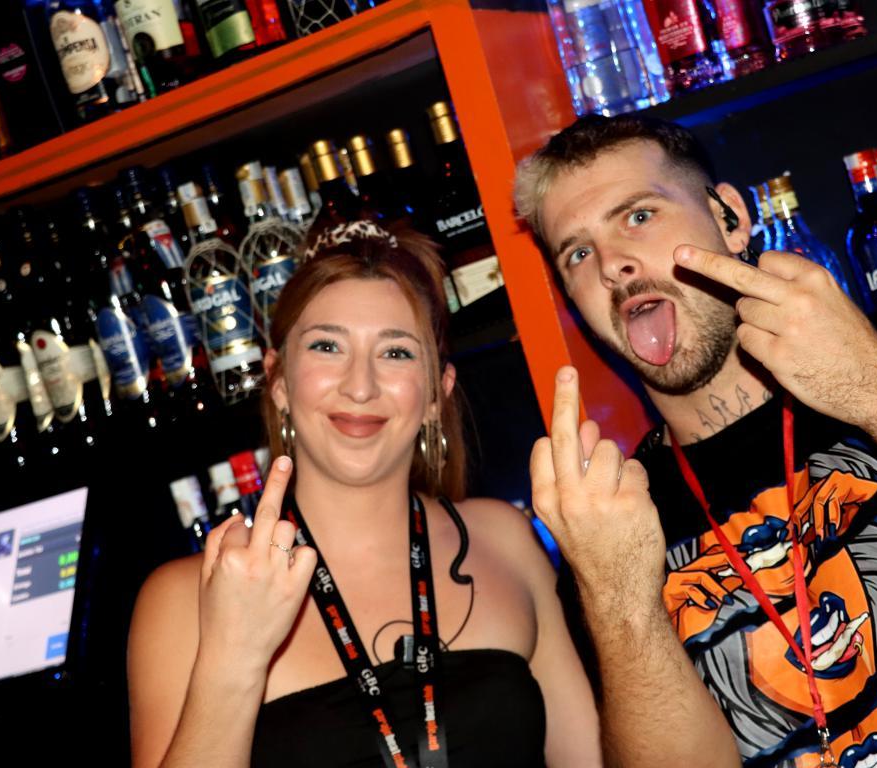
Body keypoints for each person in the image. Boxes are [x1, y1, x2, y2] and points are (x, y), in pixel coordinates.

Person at [514, 113, 877, 767]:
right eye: (577, 253)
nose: (613, 265)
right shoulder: (615, 523)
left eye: (639, 216)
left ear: (729, 218)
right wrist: (616, 594)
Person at [127, 220, 601, 767]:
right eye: (327, 346)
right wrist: (233, 657)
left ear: (436, 392)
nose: (360, 386)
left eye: (395, 353)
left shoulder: (506, 541)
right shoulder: (185, 598)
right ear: (278, 381)